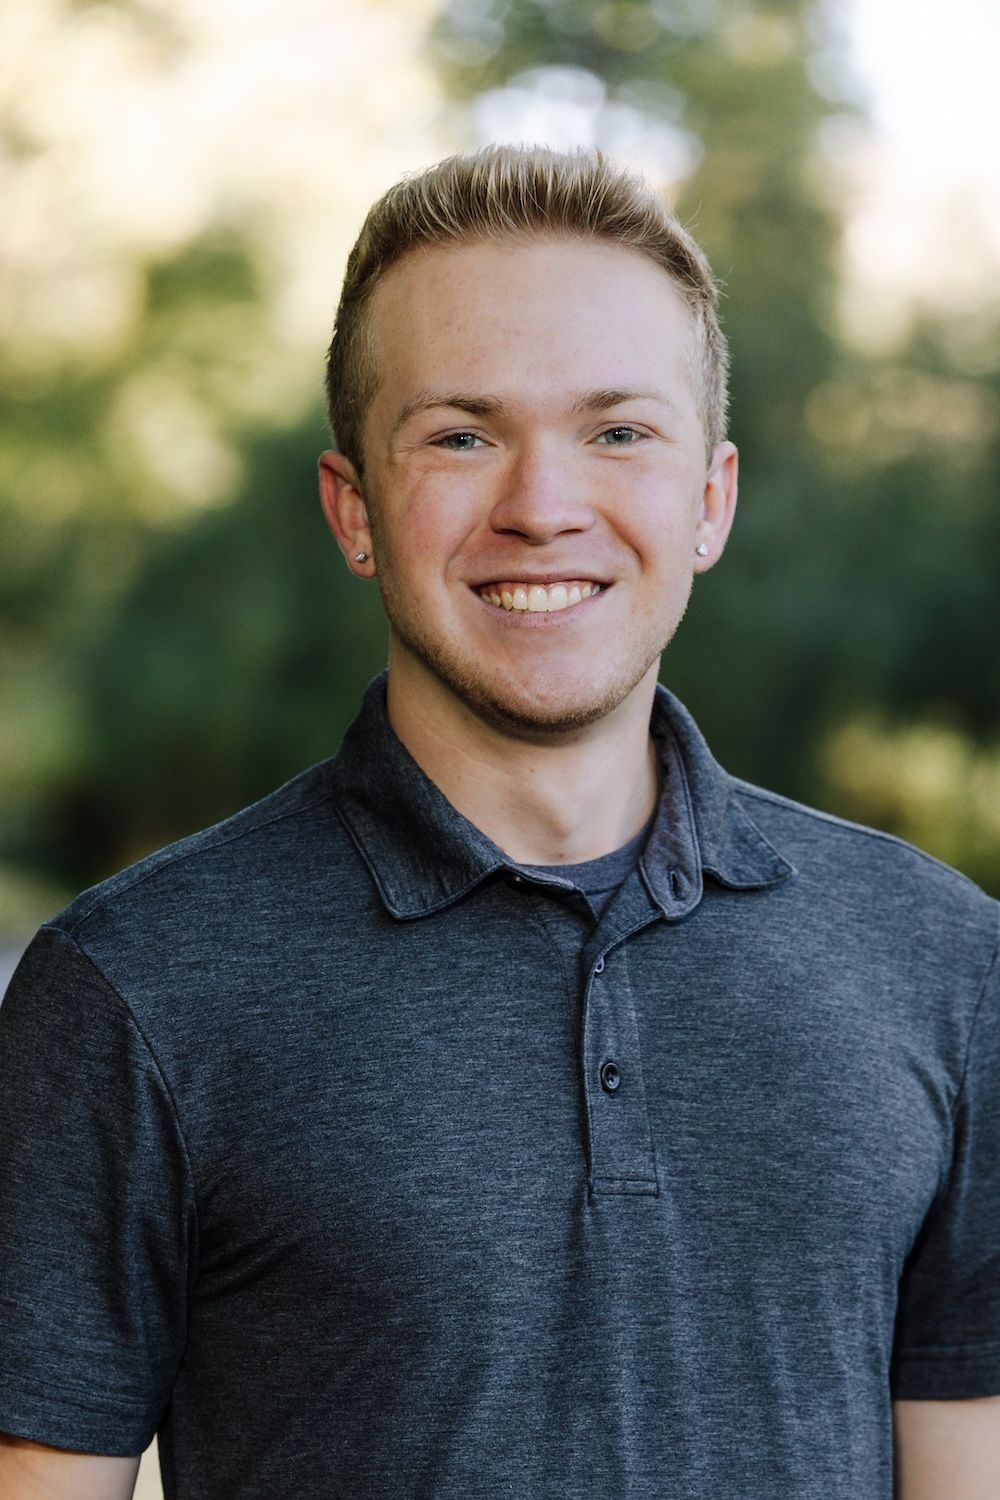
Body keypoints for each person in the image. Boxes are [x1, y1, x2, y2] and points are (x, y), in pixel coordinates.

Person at [0, 145, 998, 1500]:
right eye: (462, 436)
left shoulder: (943, 960)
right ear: (355, 510)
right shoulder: (132, 990)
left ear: (710, 500)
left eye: (619, 433)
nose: (542, 505)